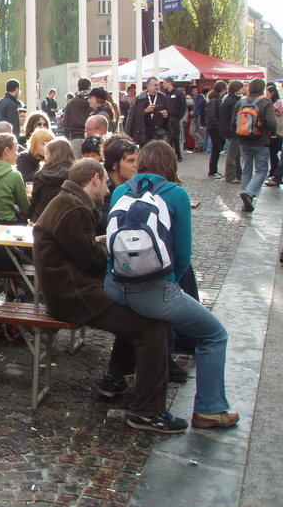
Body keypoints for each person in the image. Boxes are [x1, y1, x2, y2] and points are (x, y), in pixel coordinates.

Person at [33, 158, 186, 433]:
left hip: (68, 291)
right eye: (104, 182)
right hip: (72, 296)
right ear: (93, 178)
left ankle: (114, 380)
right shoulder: (74, 207)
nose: (107, 189)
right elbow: (91, 259)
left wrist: (100, 242)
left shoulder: (68, 201)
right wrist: (107, 245)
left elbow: (82, 252)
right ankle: (147, 412)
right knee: (151, 327)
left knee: (138, 311)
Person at [104, 141, 239, 430]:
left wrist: (117, 279)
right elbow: (183, 255)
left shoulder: (120, 191)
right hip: (153, 291)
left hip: (115, 287)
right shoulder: (176, 194)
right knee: (214, 335)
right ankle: (210, 409)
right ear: (170, 164)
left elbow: (112, 245)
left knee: (148, 320)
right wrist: (169, 286)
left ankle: (115, 379)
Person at [236, 78, 277, 212]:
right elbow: (272, 123)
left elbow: (233, 123)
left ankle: (245, 202)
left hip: (243, 140)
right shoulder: (265, 102)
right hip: (260, 141)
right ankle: (248, 193)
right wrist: (273, 133)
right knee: (261, 171)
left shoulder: (241, 102)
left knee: (246, 170)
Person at [29, 138, 74, 221]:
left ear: (53, 155)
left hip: (41, 219)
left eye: (46, 154)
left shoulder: (41, 175)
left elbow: (34, 202)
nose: (45, 158)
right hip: (68, 219)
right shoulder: (75, 174)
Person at [125, 76, 169, 146]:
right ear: (148, 86)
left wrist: (166, 114)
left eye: (158, 85)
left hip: (160, 131)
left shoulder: (162, 98)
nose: (157, 87)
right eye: (155, 85)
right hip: (146, 132)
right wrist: (145, 111)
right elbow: (134, 116)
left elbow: (168, 112)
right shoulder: (141, 99)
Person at [220, 81, 244, 184]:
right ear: (236, 89)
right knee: (233, 154)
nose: (242, 90)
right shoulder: (233, 101)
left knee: (236, 153)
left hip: (230, 130)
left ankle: (238, 175)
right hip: (233, 131)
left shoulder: (228, 99)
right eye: (241, 88)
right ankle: (231, 176)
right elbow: (233, 118)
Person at [64, 77, 93, 157]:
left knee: (75, 162)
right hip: (90, 138)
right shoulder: (93, 102)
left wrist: (68, 135)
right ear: (89, 87)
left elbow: (65, 122)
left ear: (78, 87)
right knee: (90, 162)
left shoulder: (70, 103)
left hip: (75, 137)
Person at [205, 82, 228, 178]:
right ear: (223, 89)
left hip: (214, 127)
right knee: (216, 148)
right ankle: (212, 171)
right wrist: (218, 126)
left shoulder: (216, 100)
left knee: (217, 148)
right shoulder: (214, 101)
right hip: (214, 128)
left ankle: (214, 170)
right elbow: (212, 116)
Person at [163, 78, 187, 162]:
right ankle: (170, 155)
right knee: (168, 137)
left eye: (164, 83)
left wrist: (179, 117)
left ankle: (178, 154)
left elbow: (183, 105)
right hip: (167, 118)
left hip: (175, 117)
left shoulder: (178, 93)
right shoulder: (165, 94)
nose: (163, 84)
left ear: (169, 83)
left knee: (175, 137)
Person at [265, 85, 283, 177]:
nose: (266, 95)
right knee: (271, 152)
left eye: (267, 93)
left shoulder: (279, 103)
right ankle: (273, 170)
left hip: (277, 129)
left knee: (274, 152)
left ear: (273, 93)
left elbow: (278, 115)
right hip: (270, 129)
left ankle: (275, 171)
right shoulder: (268, 102)